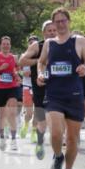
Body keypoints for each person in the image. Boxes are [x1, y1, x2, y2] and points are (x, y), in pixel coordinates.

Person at [36, 7, 85, 169]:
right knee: (55, 133)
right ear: (53, 24)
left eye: (63, 20)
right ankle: (58, 156)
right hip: (54, 94)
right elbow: (41, 62)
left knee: (72, 138)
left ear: (69, 21)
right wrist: (40, 73)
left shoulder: (79, 41)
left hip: (74, 95)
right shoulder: (49, 44)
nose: (60, 24)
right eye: (57, 21)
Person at [19, 19, 56, 160]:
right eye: (49, 31)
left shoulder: (63, 44)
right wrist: (40, 60)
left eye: (54, 30)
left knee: (57, 120)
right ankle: (40, 142)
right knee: (42, 122)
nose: (52, 33)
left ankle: (57, 152)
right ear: (43, 33)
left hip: (58, 87)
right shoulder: (37, 46)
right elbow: (21, 61)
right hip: (40, 88)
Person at [0, 37, 22, 150]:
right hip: (0, 89)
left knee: (12, 113)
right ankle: (2, 138)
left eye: (8, 44)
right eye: (4, 44)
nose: (6, 46)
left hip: (12, 88)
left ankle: (13, 140)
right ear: (0, 45)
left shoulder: (14, 57)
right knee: (2, 115)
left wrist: (16, 74)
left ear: (10, 46)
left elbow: (18, 69)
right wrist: (0, 68)